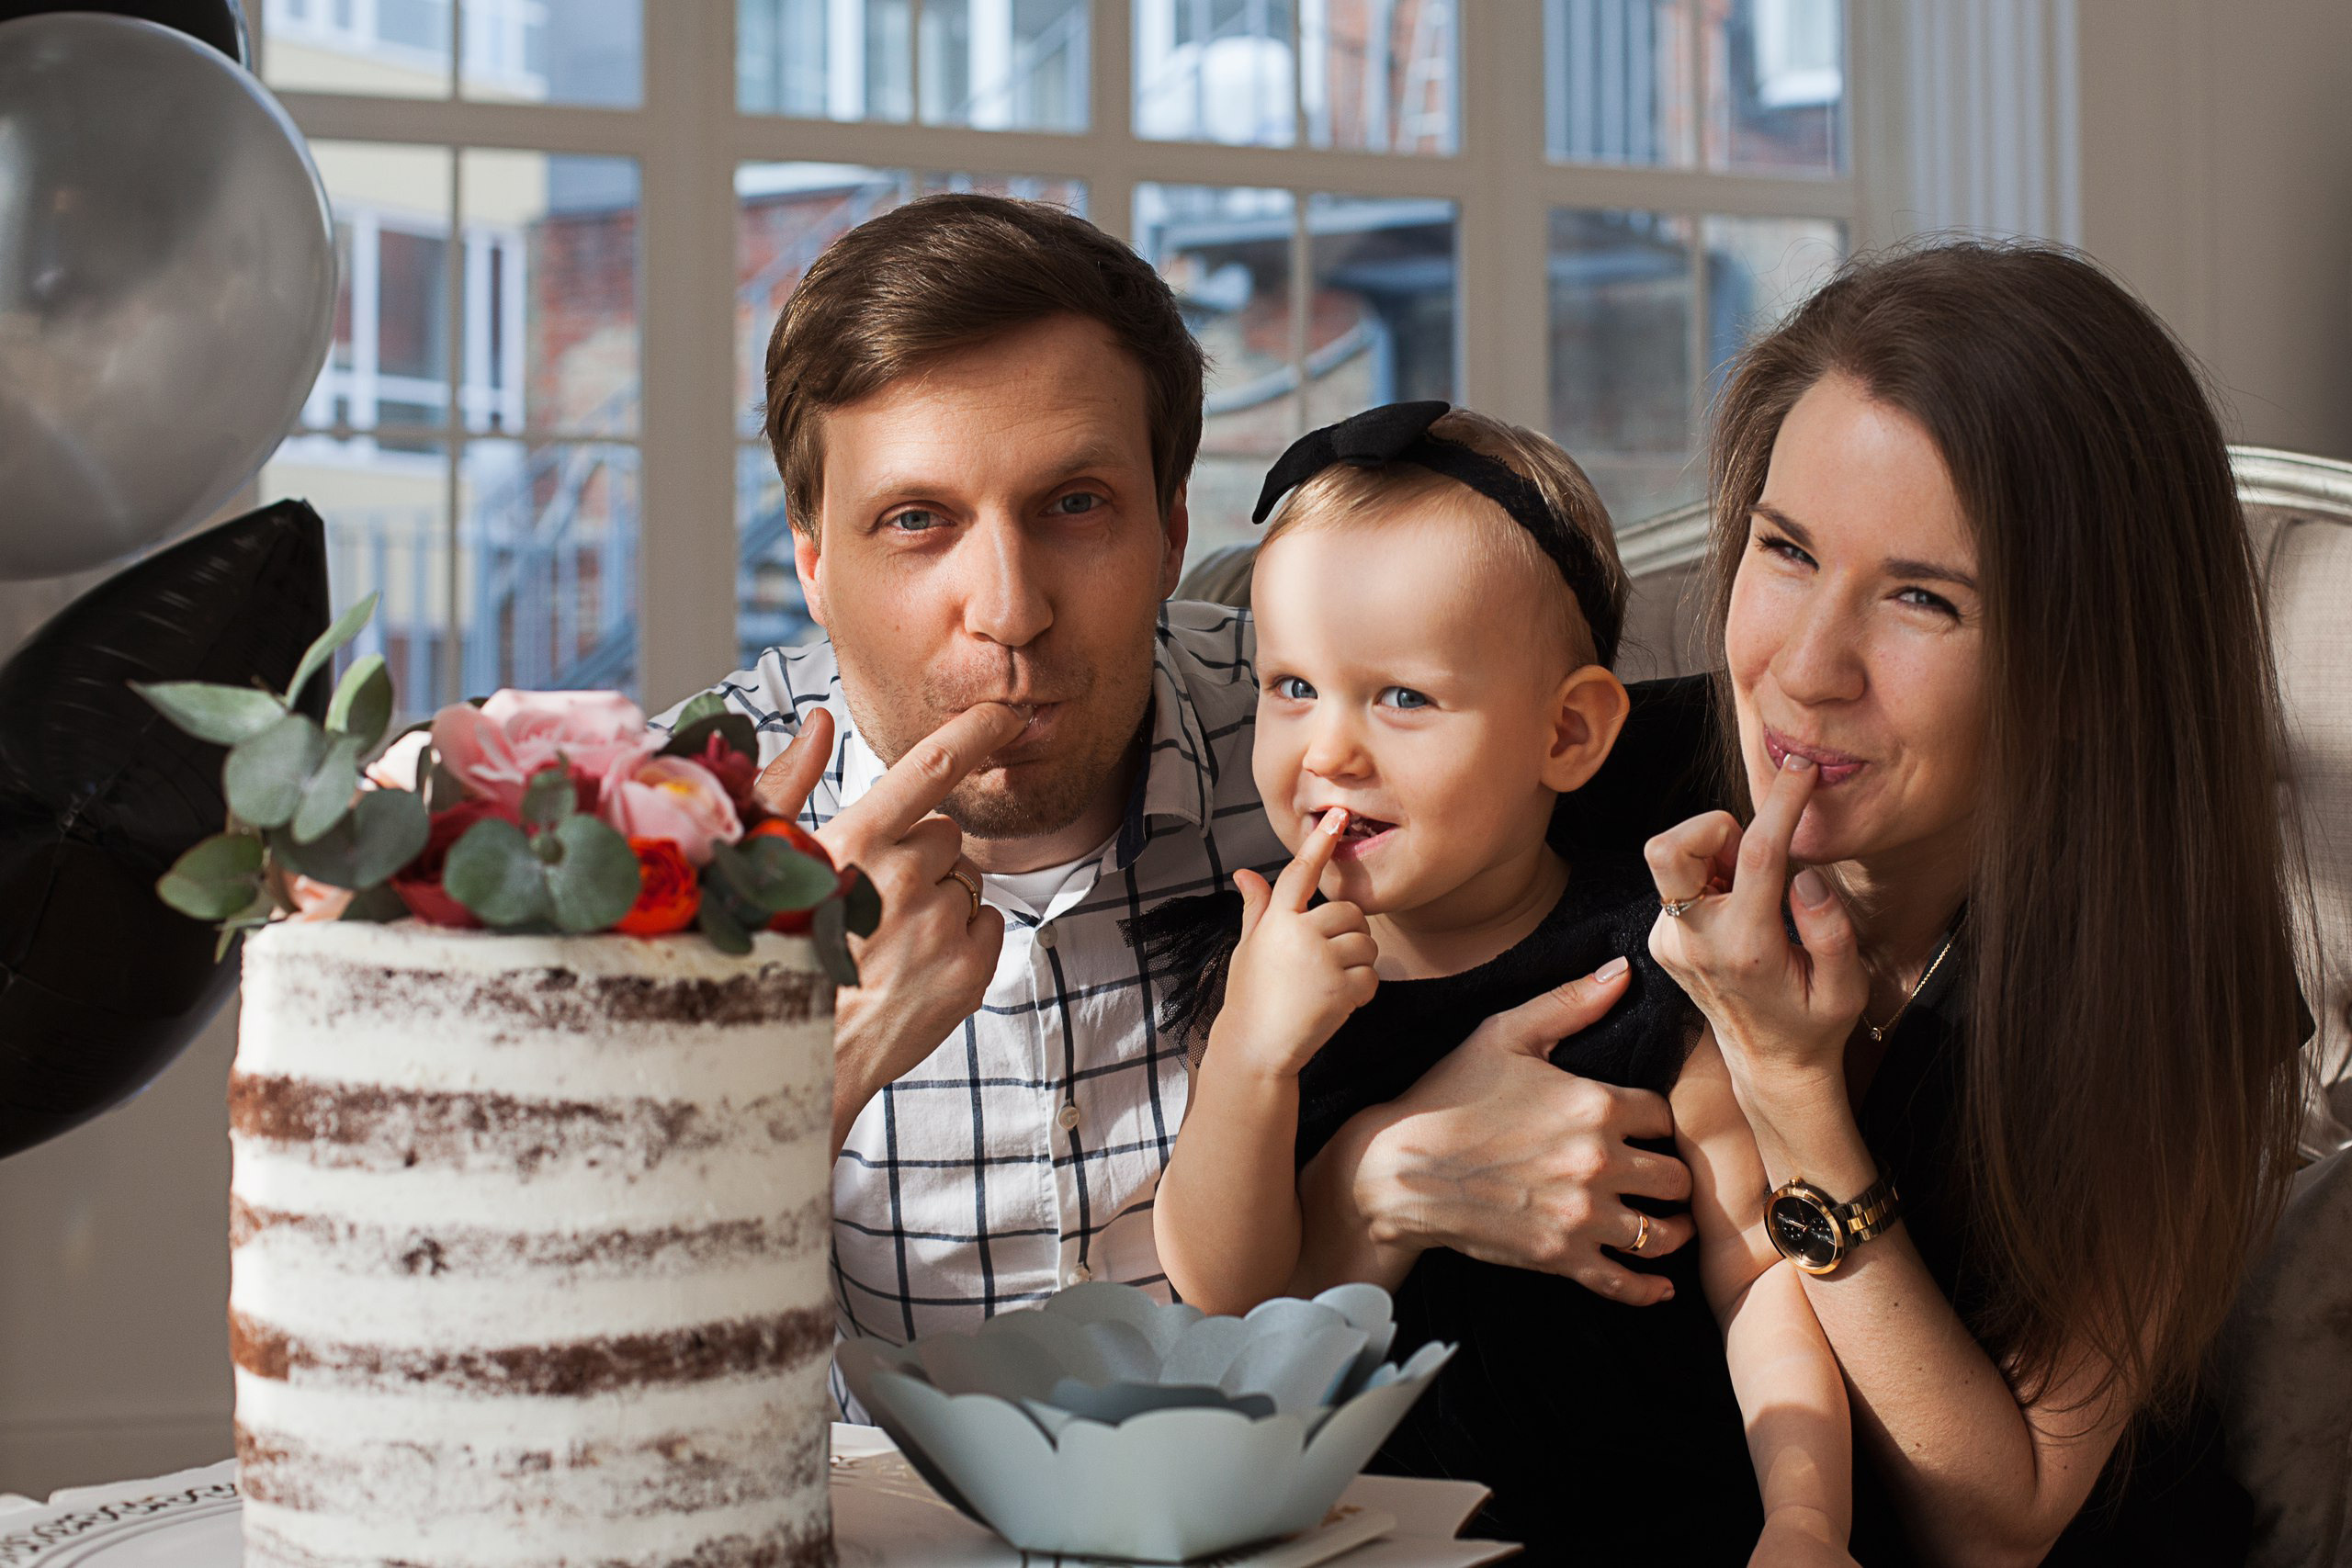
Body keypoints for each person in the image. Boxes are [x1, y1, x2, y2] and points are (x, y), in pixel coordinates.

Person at [672, 194, 1704, 1404]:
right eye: (916, 521)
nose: (1008, 609)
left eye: (1074, 506)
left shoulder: (1323, 739)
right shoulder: (685, 839)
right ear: (810, 562)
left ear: (1170, 533)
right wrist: (812, 1061)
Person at [1640, 242, 2308, 1564]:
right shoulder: (1601, 784)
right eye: (1786, 549)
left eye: (1921, 598)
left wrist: (1786, 1082)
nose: (1809, 666)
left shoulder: (2176, 979)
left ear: (2085, 659)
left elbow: (1995, 1518)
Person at [1137, 402, 1854, 1565]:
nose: (1328, 752)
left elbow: (1761, 1275)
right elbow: (1229, 1297)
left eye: (1403, 698)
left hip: (1645, 1528)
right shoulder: (1262, 958)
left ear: (1567, 733)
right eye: (1291, 687)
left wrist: (1806, 1518)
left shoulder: (1659, 960)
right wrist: (1251, 1053)